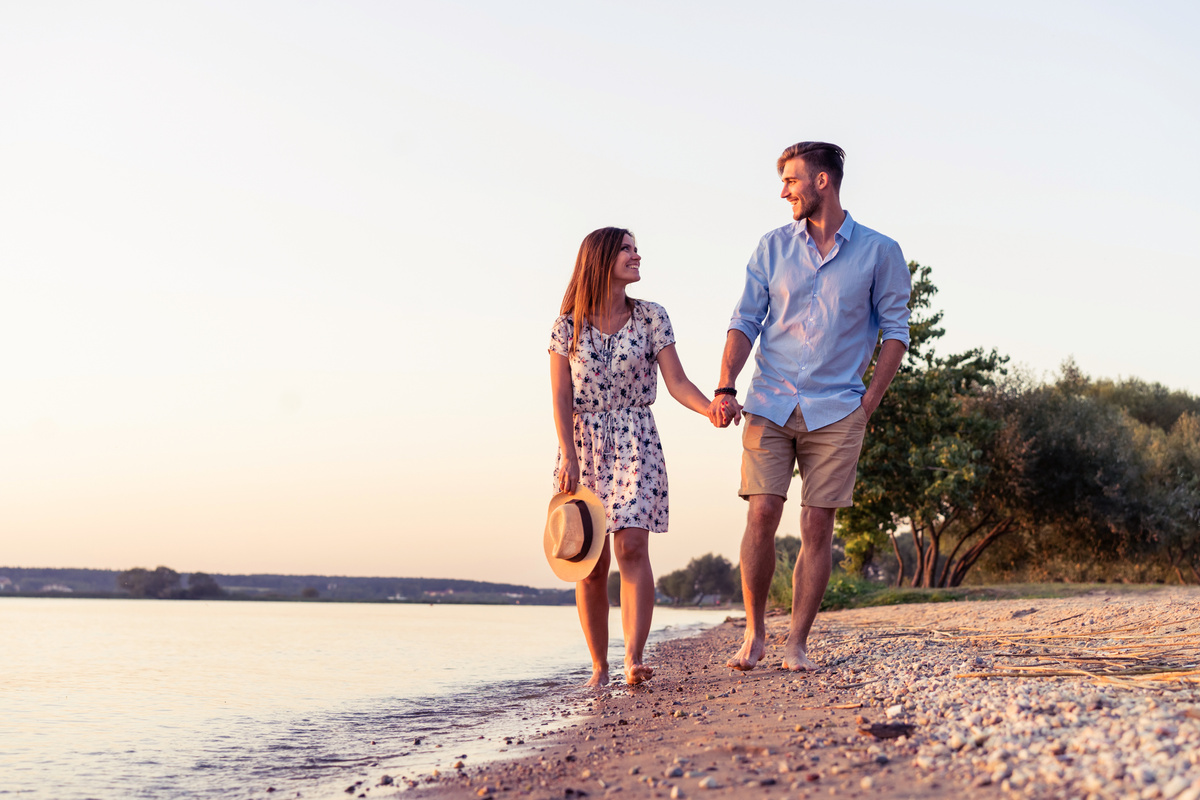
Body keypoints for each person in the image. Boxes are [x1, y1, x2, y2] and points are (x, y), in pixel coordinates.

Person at [708, 142, 911, 672]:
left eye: (792, 181)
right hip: (769, 401)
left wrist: (868, 402)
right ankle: (755, 636)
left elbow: (895, 332)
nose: (784, 192)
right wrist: (726, 384)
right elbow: (744, 320)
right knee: (763, 512)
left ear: (823, 181)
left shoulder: (880, 252)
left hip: (838, 408)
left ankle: (796, 643)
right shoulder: (771, 247)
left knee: (818, 524)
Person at [550, 227, 712, 687]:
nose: (637, 255)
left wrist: (709, 409)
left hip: (636, 438)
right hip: (582, 446)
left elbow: (677, 382)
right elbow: (561, 396)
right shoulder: (567, 327)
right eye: (626, 248)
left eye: (635, 247)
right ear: (600, 259)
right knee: (591, 560)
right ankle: (599, 667)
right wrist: (568, 454)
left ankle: (634, 659)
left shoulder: (651, 317)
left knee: (632, 546)